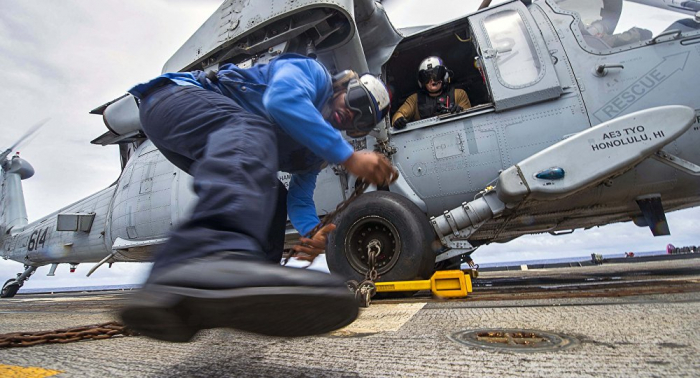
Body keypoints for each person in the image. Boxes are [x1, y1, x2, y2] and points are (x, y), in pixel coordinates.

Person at [119, 54, 397, 342]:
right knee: (251, 131)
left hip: (209, 139)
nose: (352, 114)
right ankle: (210, 258)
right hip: (171, 99)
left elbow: (300, 201)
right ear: (343, 87)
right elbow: (282, 100)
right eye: (356, 102)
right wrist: (348, 157)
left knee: (273, 191)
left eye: (362, 119)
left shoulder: (315, 154)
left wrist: (312, 232)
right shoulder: (312, 74)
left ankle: (249, 289)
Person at [392, 56, 471, 130]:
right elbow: (399, 115)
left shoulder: (458, 94)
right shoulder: (414, 100)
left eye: (437, 75)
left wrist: (461, 111)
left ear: (444, 76)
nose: (432, 81)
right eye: (426, 77)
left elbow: (469, 119)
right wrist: (398, 120)